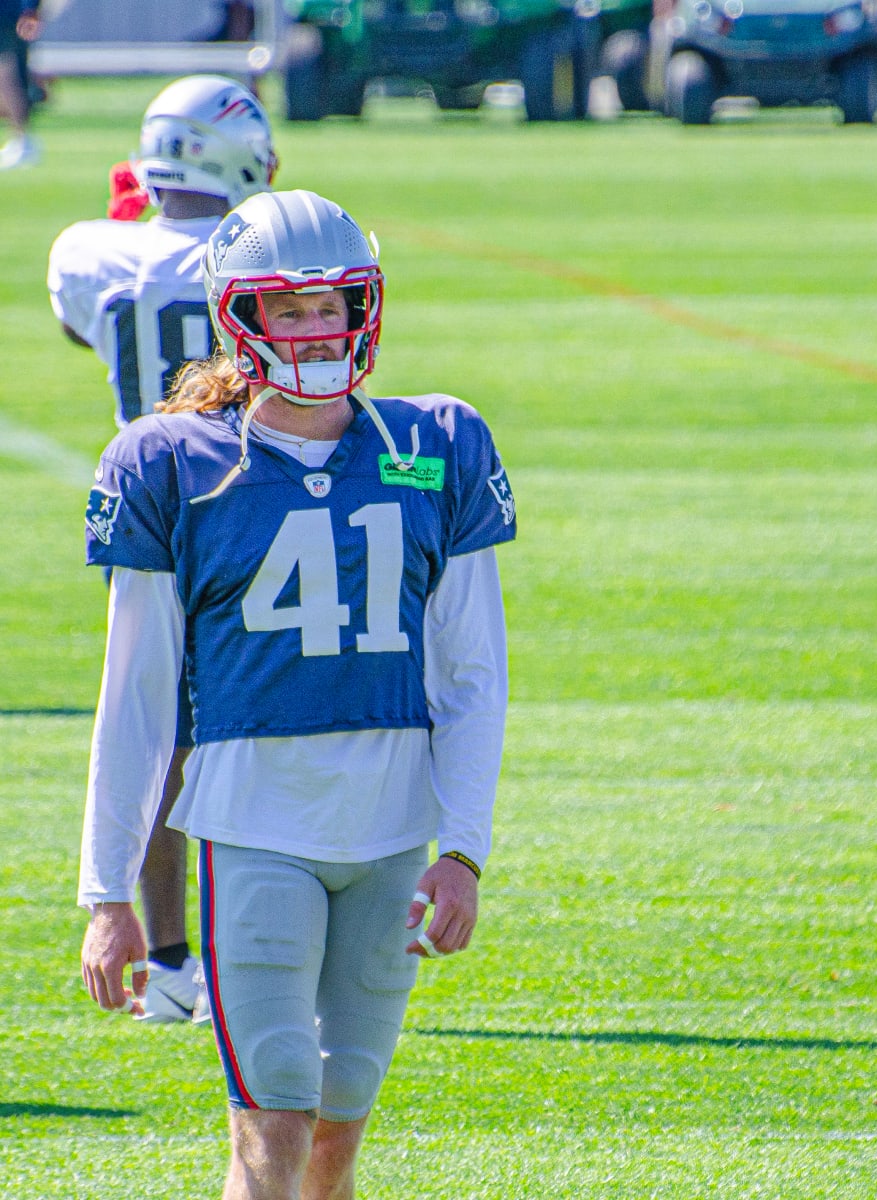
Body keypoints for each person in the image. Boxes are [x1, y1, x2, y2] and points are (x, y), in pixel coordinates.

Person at [78, 188, 516, 1200]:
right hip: (253, 826)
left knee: (332, 1143)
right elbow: (135, 698)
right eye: (291, 308)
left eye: (335, 305)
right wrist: (108, 893)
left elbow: (472, 672)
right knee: (271, 1125)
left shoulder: (435, 445)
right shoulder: (175, 464)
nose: (318, 329)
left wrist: (465, 850)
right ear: (242, 317)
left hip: (393, 835)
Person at [50, 74, 278, 1024]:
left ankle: (177, 967)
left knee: (154, 738)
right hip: (251, 499)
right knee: (264, 730)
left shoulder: (90, 253)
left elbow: (76, 324)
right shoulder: (256, 253)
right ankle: (254, 960)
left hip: (149, 502)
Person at [0, 0, 38, 169]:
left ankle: (23, 140)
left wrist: (28, 8)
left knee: (6, 76)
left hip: (7, 14)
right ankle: (18, 139)